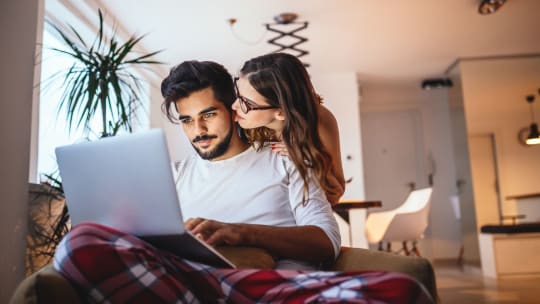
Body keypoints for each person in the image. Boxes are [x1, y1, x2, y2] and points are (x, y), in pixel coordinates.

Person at [52, 60, 433, 303]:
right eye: (186, 121)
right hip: (192, 285)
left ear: (234, 110)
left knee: (404, 289)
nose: (198, 130)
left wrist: (241, 233)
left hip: (267, 286)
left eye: (208, 115)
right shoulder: (170, 177)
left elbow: (326, 240)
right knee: (79, 243)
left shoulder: (285, 160)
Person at [233, 52, 346, 205]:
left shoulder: (319, 121)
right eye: (237, 94)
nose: (234, 106)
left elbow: (335, 194)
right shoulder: (239, 115)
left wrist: (306, 159)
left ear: (281, 113)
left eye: (246, 103)